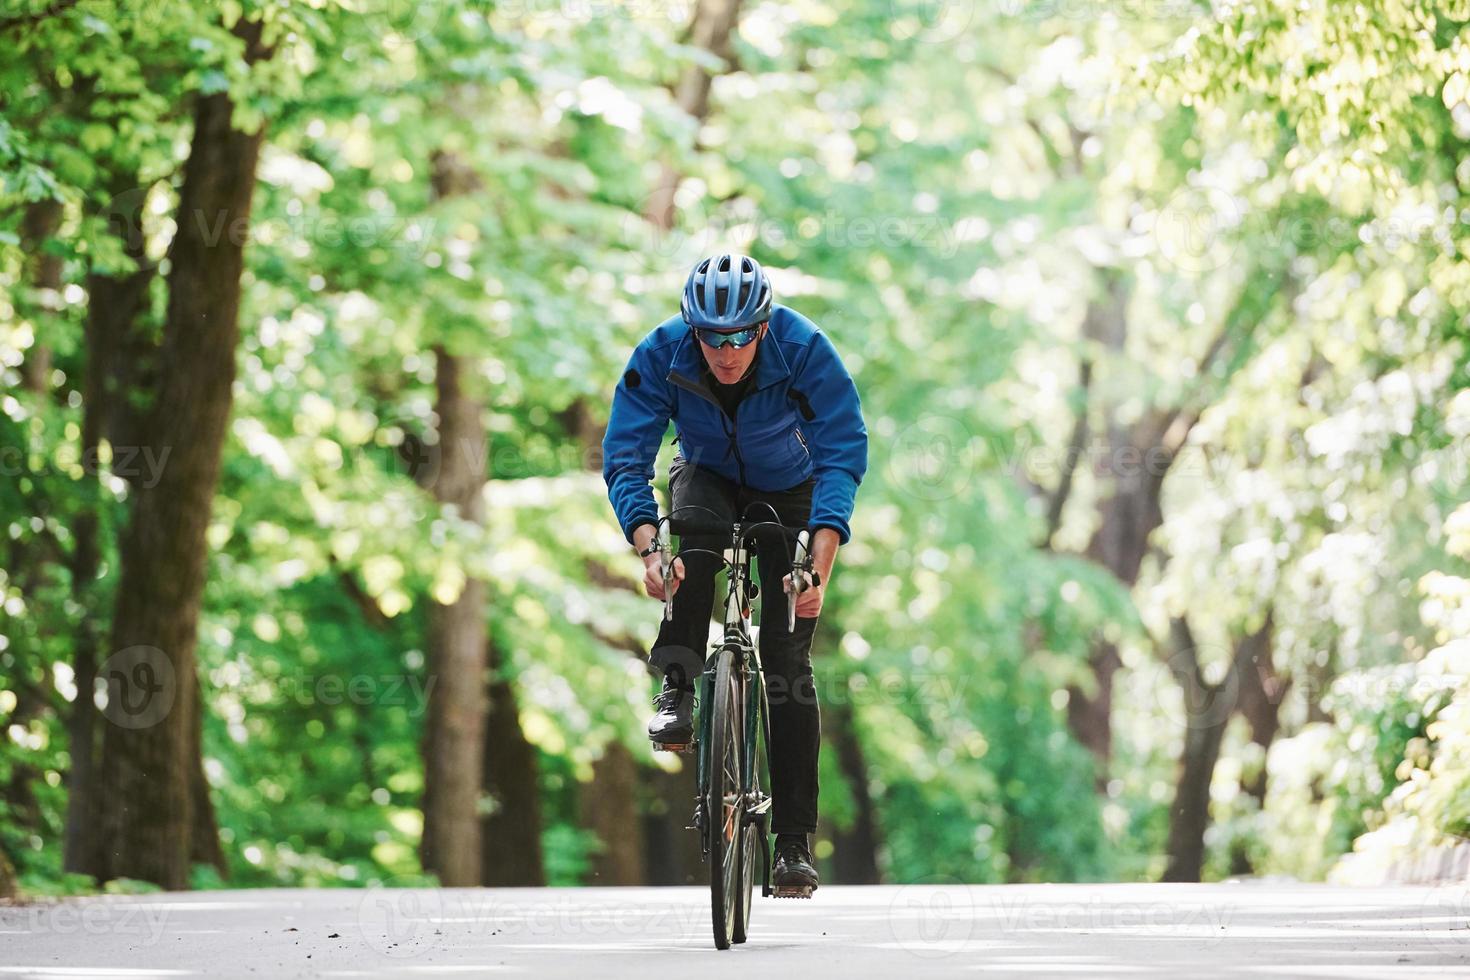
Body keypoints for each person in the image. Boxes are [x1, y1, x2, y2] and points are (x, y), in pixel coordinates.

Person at [601, 252, 868, 896]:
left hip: (792, 489)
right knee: (690, 548)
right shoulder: (662, 352)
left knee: (786, 664)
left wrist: (818, 570)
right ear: (692, 329)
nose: (727, 351)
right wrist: (647, 548)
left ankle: (795, 846)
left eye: (741, 334)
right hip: (708, 477)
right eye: (712, 337)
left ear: (764, 325)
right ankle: (678, 688)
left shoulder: (806, 350)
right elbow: (625, 456)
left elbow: (842, 453)